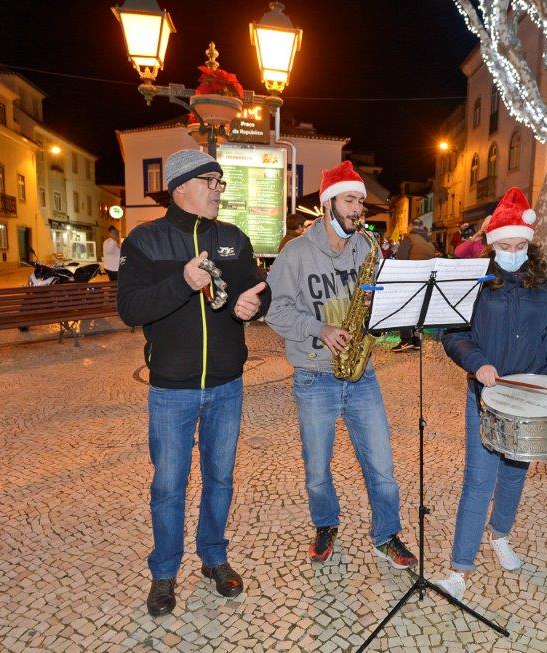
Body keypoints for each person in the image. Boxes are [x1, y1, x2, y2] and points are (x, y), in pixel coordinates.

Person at [116, 149, 272, 617]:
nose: (219, 191)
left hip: (227, 384)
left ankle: (214, 558)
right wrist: (183, 282)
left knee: (220, 479)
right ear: (181, 184)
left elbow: (256, 290)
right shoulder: (145, 240)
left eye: (221, 183)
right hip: (171, 389)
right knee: (168, 485)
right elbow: (131, 308)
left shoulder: (233, 238)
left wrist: (253, 307)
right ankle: (164, 573)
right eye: (212, 182)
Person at [264, 160, 416, 570]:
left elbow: (379, 299)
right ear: (328, 202)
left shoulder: (366, 247)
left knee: (382, 466)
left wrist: (376, 307)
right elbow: (273, 311)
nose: (358, 210)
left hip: (361, 373)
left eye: (361, 203)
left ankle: (386, 534)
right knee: (317, 468)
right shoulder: (295, 253)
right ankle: (326, 524)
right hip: (315, 375)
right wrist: (320, 329)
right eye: (350, 200)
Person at [437, 187, 547, 601]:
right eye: (505, 245)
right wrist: (476, 361)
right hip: (486, 393)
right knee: (478, 481)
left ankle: (500, 535)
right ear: (491, 245)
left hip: (530, 393)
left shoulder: (542, 286)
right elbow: (454, 334)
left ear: (528, 246)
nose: (513, 252)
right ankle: (459, 569)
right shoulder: (474, 282)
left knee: (515, 475)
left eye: (520, 245)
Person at [392, 218, 437, 352]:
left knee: (404, 307)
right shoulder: (429, 242)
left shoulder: (409, 238)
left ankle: (406, 340)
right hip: (425, 281)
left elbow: (401, 259)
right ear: (422, 227)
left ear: (411, 226)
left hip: (410, 279)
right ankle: (417, 341)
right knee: (419, 310)